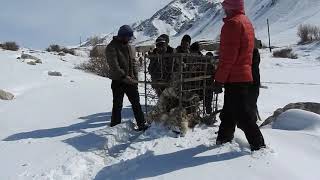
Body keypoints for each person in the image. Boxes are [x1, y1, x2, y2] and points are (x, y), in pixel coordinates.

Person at [213, 0, 266, 151]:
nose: (224, 10)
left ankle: (259, 146)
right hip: (243, 74)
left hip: (235, 76)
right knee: (229, 111)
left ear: (231, 7)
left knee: (243, 116)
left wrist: (219, 79)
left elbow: (228, 57)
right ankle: (223, 139)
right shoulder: (246, 22)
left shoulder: (232, 24)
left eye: (225, 7)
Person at [106, 25, 149, 131]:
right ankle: (114, 128)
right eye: (128, 37)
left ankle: (141, 124)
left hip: (130, 81)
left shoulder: (130, 47)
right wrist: (124, 76)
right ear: (122, 36)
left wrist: (135, 77)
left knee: (136, 103)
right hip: (118, 81)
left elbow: (134, 63)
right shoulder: (111, 47)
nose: (129, 39)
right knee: (117, 105)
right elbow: (114, 66)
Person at [249, 38, 262, 122]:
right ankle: (253, 118)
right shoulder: (255, 52)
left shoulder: (252, 53)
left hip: (251, 79)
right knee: (252, 100)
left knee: (251, 100)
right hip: (255, 79)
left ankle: (252, 119)